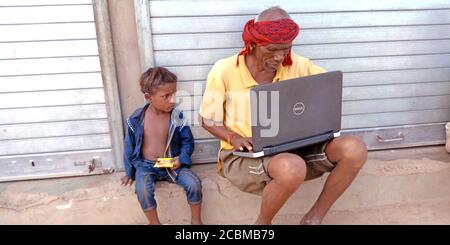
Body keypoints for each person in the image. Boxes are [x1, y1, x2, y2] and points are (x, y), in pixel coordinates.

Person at [199, 6, 367, 225]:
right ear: (253, 44)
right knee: (292, 167)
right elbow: (207, 120)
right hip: (244, 154)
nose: (280, 56)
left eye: (286, 49)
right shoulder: (224, 70)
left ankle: (313, 219)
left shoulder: (297, 63)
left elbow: (327, 89)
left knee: (354, 148)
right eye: (272, 49)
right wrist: (233, 137)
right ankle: (262, 225)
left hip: (294, 148)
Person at [121, 67, 203, 225]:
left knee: (194, 183)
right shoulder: (136, 119)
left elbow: (188, 141)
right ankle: (154, 222)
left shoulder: (176, 116)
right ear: (148, 97)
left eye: (174, 94)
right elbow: (129, 148)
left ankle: (196, 221)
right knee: (142, 190)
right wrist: (129, 172)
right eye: (166, 96)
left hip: (171, 163)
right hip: (146, 165)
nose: (172, 100)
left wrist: (182, 158)